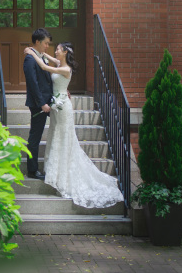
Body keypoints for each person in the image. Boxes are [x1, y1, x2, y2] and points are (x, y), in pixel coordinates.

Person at [24, 42, 124, 208]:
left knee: (64, 138)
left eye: (57, 49)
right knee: (55, 135)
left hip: (63, 108)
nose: (54, 51)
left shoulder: (65, 69)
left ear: (64, 52)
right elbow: (47, 59)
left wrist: (31, 53)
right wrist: (40, 52)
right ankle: (55, 171)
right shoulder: (60, 63)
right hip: (57, 106)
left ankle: (63, 173)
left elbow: (43, 67)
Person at [23, 28, 54, 180]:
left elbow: (47, 80)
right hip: (39, 105)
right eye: (46, 43)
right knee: (35, 137)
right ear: (37, 42)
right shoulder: (30, 59)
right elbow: (33, 83)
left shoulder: (40, 56)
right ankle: (32, 170)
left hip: (49, 102)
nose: (47, 46)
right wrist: (41, 104)